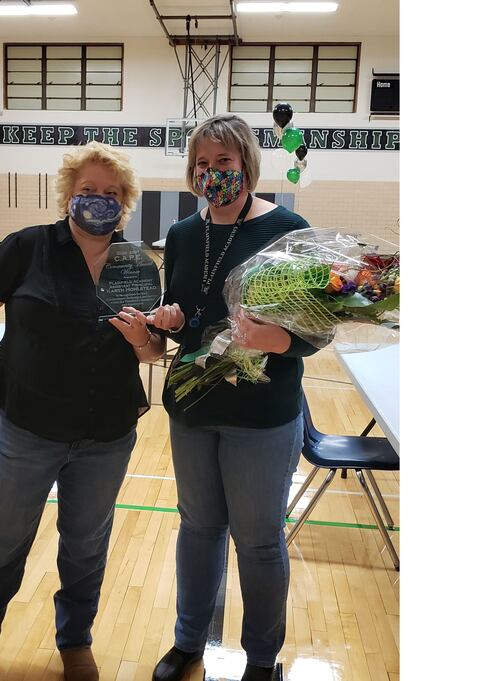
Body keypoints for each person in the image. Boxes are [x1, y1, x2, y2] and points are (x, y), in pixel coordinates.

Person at [0, 142, 166, 681]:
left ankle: (75, 643)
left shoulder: (136, 265)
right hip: (26, 428)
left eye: (110, 194)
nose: (98, 201)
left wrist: (143, 340)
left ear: (124, 202)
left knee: (85, 545)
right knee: (0, 540)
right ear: (68, 195)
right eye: (88, 192)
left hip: (106, 434)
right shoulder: (28, 248)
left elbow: (154, 354)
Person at [146, 114, 322, 681]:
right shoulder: (180, 235)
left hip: (262, 413)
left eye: (223, 162)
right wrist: (169, 320)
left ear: (246, 162)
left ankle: (263, 659)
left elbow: (320, 328)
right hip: (193, 408)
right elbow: (185, 319)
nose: (211, 173)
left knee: (259, 541)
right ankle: (187, 640)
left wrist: (278, 340)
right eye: (201, 164)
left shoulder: (288, 230)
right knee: (197, 529)